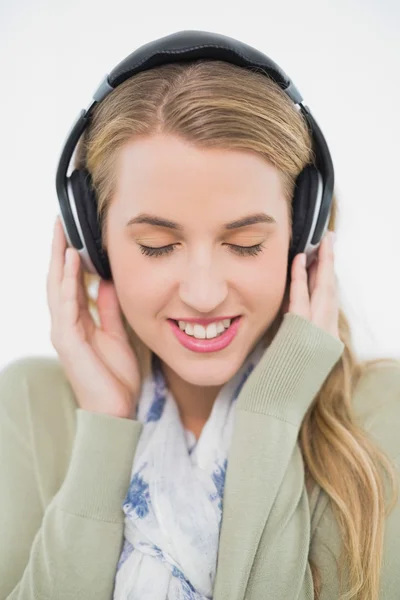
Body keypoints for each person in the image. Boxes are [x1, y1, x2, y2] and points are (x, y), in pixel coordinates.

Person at [0, 31, 399, 600]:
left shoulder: (385, 415)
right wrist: (104, 433)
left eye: (245, 244)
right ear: (96, 245)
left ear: (304, 236)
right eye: (158, 246)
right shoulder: (29, 406)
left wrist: (274, 412)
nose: (206, 293)